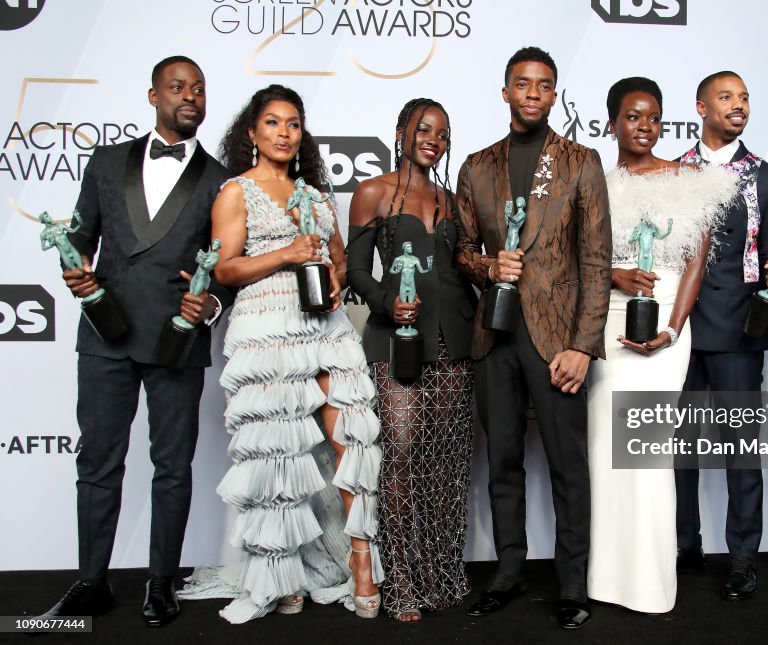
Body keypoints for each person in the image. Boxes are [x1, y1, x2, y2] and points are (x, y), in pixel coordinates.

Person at [34, 56, 233, 628]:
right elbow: (78, 238)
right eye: (177, 87)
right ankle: (90, 581)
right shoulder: (105, 162)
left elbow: (226, 266)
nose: (189, 96)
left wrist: (212, 302)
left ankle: (161, 584)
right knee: (98, 462)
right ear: (153, 97)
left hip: (177, 339)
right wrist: (75, 273)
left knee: (172, 466)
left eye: (198, 88)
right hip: (105, 334)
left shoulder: (222, 180)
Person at [185, 84, 382, 623]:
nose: (283, 133)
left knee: (350, 443)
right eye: (272, 123)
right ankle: (282, 571)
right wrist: (286, 253)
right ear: (252, 133)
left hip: (323, 327)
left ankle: (362, 562)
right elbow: (225, 269)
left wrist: (338, 281)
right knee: (281, 458)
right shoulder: (235, 192)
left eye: (293, 123)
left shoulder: (317, 197)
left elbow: (338, 260)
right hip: (266, 328)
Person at [455, 46, 611, 630]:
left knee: (570, 467)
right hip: (494, 338)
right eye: (522, 84)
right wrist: (489, 267)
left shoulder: (580, 162)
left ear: (553, 94)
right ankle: (509, 571)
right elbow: (462, 254)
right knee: (503, 463)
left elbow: (597, 261)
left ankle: (573, 583)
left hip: (557, 344)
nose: (533, 94)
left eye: (544, 86)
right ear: (505, 92)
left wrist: (582, 344)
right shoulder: (476, 166)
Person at [587, 77, 737, 613]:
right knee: (607, 453)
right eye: (632, 116)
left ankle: (650, 583)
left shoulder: (690, 180)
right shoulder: (595, 184)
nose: (644, 126)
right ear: (612, 123)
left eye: (652, 117)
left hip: (667, 329)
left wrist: (672, 329)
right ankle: (605, 579)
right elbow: (580, 262)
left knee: (645, 456)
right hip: (609, 326)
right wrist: (614, 276)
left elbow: (695, 262)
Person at [346, 97, 478, 623]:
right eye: (424, 129)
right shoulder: (372, 192)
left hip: (455, 344)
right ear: (400, 130)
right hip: (395, 340)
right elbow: (357, 272)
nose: (433, 139)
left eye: (443, 134)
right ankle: (400, 578)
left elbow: (461, 270)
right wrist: (386, 301)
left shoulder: (450, 200)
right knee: (400, 456)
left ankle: (439, 572)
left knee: (445, 464)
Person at [672, 71, 768, 601]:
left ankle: (744, 557)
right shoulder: (671, 172)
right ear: (701, 107)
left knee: (741, 449)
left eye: (745, 97)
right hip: (675, 333)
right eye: (726, 97)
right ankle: (682, 544)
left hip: (741, 334)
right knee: (677, 448)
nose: (739, 105)